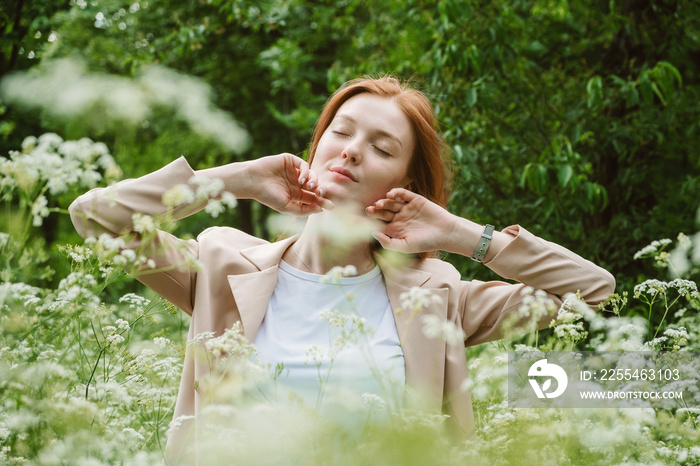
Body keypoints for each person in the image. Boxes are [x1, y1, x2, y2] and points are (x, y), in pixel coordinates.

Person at [69, 76, 615, 460]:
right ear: (318, 142)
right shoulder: (221, 265)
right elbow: (94, 218)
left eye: (381, 147)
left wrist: (458, 234)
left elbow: (593, 291)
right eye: (342, 131)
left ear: (405, 182)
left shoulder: (437, 296)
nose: (352, 151)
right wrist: (232, 179)